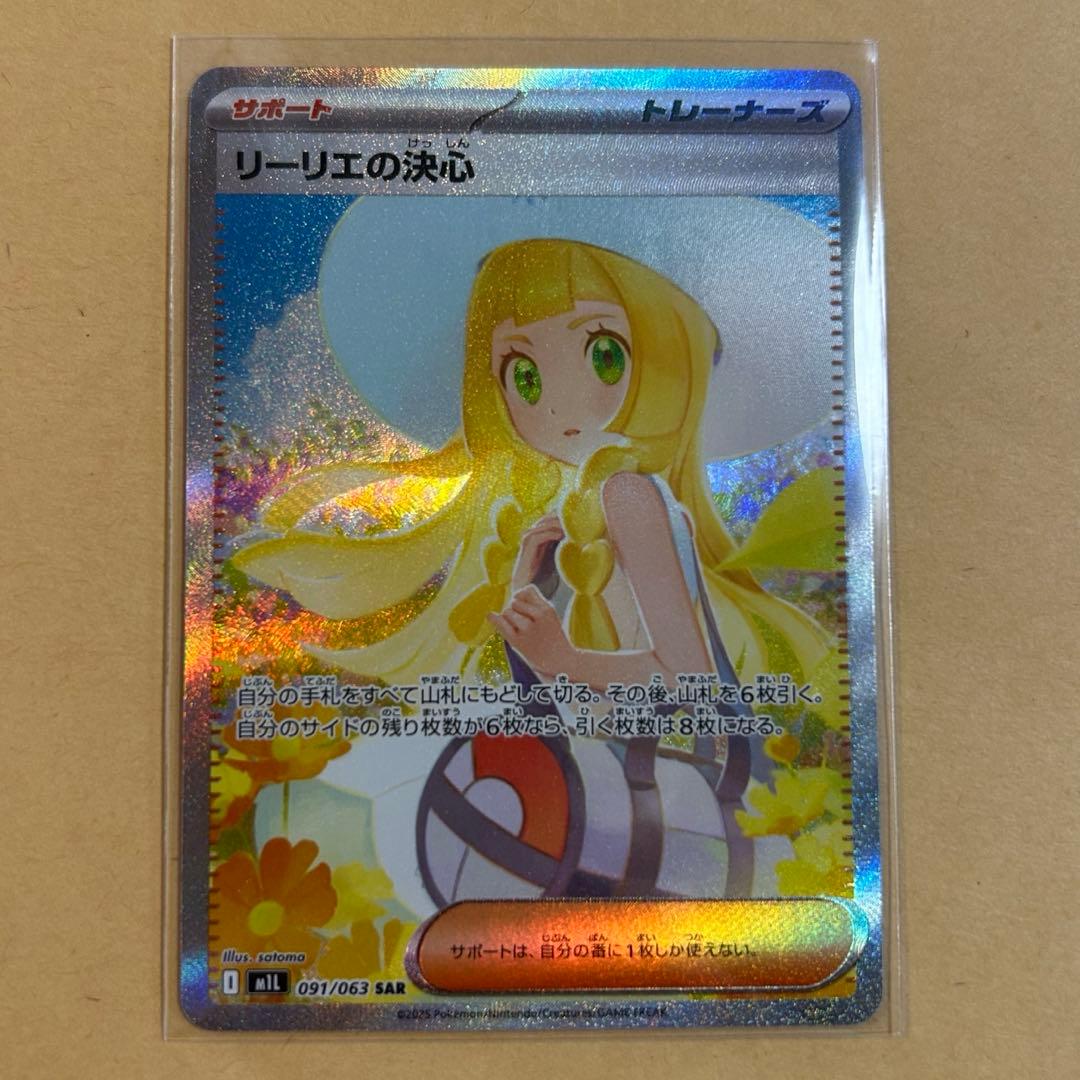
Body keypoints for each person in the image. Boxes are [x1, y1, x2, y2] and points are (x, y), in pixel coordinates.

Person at [235, 238, 834, 906]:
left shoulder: (628, 495)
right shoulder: (583, 511)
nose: (557, 407)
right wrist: (531, 592)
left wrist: (562, 657)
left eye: (603, 355)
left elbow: (690, 681)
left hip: (663, 807)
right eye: (524, 375)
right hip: (616, 797)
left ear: (669, 352)